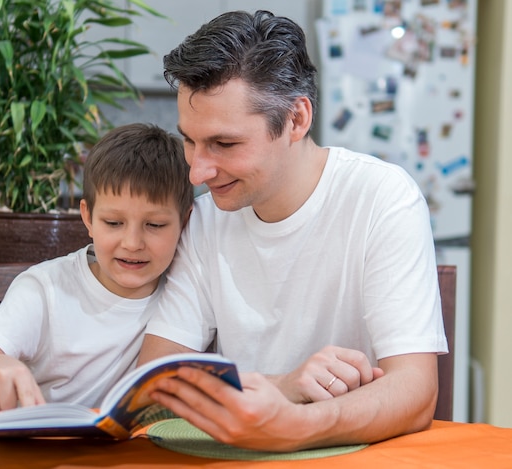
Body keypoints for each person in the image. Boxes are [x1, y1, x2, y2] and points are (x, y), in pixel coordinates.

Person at [137, 10, 448, 451]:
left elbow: (415, 392)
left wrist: (296, 426)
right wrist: (283, 388)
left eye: (224, 144)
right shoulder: (206, 221)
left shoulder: (383, 198)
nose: (196, 173)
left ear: (297, 120)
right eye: (189, 140)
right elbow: (153, 384)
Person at [0, 123, 194, 414]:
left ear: (184, 222)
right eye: (113, 223)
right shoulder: (45, 290)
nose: (132, 243)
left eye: (155, 225)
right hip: (38, 452)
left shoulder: (186, 292)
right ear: (88, 218)